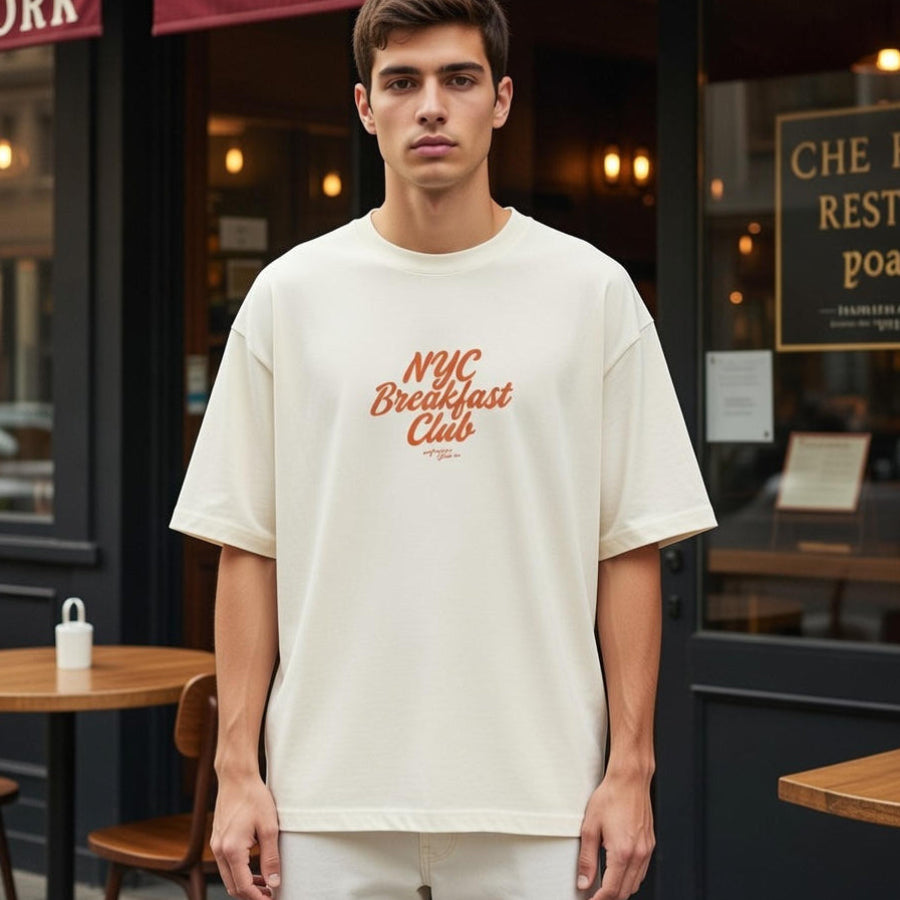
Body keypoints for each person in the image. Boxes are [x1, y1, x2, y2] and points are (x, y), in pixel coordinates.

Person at [170, 1, 716, 897]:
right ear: (363, 105)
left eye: (458, 79)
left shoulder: (592, 293)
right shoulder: (290, 297)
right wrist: (239, 772)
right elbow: (247, 547)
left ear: (500, 100)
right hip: (327, 798)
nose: (432, 106)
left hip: (542, 798)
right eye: (402, 81)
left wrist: (631, 770)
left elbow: (630, 547)